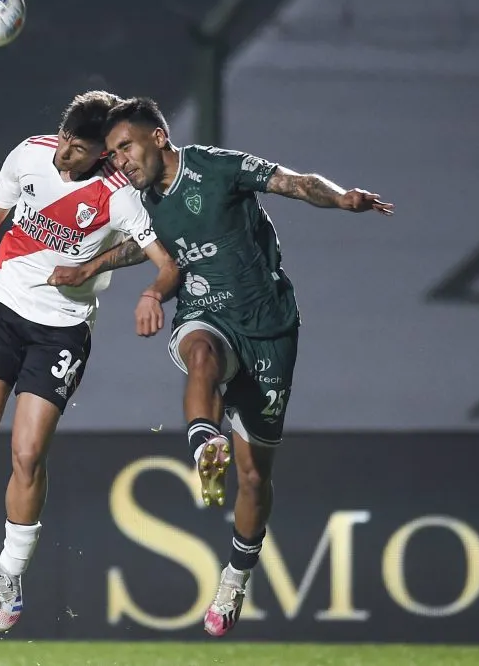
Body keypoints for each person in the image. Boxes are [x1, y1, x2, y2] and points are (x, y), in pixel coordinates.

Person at [48, 97, 393, 637]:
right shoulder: (138, 198)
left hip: (270, 327)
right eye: (112, 154)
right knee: (200, 354)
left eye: (125, 148)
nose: (119, 161)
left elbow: (296, 182)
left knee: (254, 478)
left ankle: (235, 576)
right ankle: (205, 444)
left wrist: (342, 198)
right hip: (205, 312)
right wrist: (89, 266)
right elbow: (142, 248)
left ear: (158, 137)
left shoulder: (216, 167)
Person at [0, 91, 179, 633]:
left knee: (27, 454)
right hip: (2, 306)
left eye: (78, 150)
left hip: (61, 332)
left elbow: (161, 259)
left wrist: (121, 280)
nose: (63, 155)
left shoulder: (118, 196)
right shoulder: (30, 154)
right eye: (63, 139)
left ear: (103, 153)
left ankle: (9, 576)